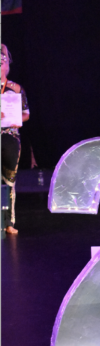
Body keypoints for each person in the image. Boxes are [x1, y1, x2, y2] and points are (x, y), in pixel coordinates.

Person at [1, 44, 30, 234]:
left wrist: (16, 119)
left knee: (9, 181)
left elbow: (27, 113)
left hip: (10, 137)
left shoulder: (16, 88)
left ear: (7, 65)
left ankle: (8, 223)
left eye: (2, 62)